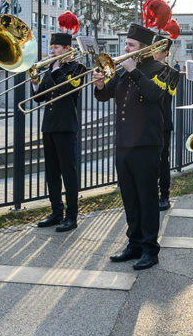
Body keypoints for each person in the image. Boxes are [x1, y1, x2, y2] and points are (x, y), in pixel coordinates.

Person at [95, 24, 171, 270]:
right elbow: (107, 93)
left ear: (144, 49)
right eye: (126, 44)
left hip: (147, 144)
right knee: (129, 197)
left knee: (147, 198)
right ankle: (134, 243)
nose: (125, 48)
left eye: (131, 45)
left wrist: (135, 71)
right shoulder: (123, 71)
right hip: (124, 142)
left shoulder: (161, 69)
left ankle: (150, 249)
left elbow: (154, 95)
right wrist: (99, 85)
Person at [31, 30, 86, 232]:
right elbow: (39, 98)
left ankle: (71, 216)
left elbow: (70, 88)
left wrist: (54, 71)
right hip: (49, 126)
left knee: (68, 173)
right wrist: (35, 82)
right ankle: (56, 212)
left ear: (67, 49)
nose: (52, 51)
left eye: (56, 48)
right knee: (52, 172)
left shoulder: (78, 68)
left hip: (66, 127)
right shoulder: (49, 69)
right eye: (51, 48)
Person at [155, 39, 182, 210]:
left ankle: (164, 195)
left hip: (163, 122)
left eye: (159, 50)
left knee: (163, 160)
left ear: (166, 53)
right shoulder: (144, 69)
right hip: (146, 123)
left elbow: (164, 94)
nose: (155, 53)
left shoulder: (172, 72)